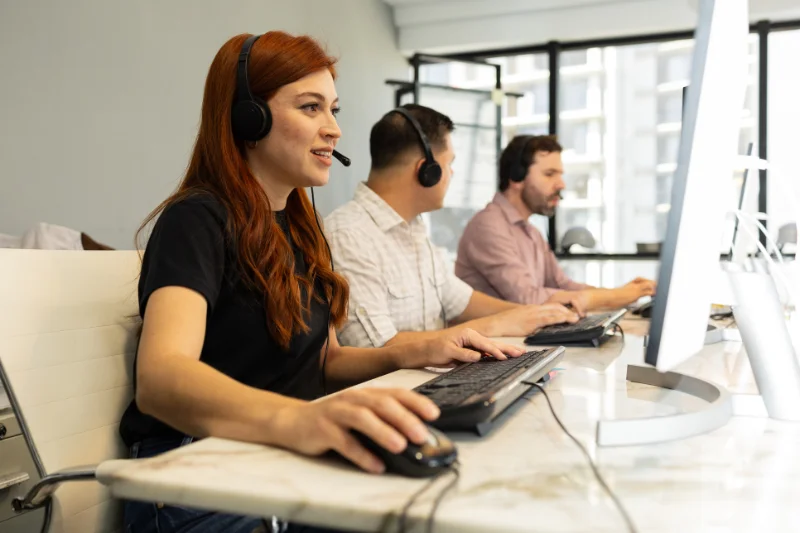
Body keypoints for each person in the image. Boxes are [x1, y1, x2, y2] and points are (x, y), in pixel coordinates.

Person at [119, 32, 522, 533]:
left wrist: (414, 351)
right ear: (249, 118)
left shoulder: (299, 226)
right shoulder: (196, 219)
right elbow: (160, 380)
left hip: (270, 458)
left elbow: (324, 361)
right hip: (193, 475)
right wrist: (300, 421)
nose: (333, 128)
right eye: (311, 108)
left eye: (333, 109)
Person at [324, 104, 579, 350]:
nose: (452, 174)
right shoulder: (350, 235)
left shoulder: (413, 229)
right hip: (389, 391)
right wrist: (495, 325)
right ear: (427, 170)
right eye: (449, 164)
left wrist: (531, 314)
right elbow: (374, 347)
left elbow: (459, 299)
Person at [456, 134, 656, 312]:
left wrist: (622, 294)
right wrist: (618, 296)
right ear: (516, 177)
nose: (561, 184)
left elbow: (562, 285)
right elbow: (528, 299)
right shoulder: (488, 226)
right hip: (492, 348)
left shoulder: (531, 232)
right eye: (550, 174)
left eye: (560, 175)